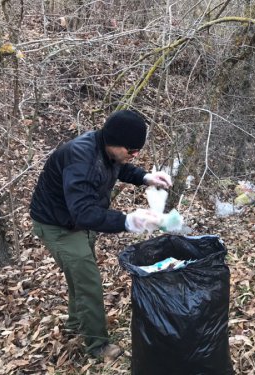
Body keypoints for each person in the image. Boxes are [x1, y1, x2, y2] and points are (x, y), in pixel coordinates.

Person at [30, 109, 172, 361]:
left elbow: (121, 168)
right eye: (131, 151)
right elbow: (84, 213)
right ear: (114, 141)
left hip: (76, 221)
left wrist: (146, 177)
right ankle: (97, 346)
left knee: (80, 276)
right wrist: (128, 221)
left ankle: (75, 322)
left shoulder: (107, 150)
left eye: (137, 151)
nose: (134, 155)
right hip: (57, 225)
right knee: (89, 282)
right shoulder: (80, 158)